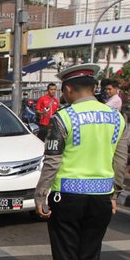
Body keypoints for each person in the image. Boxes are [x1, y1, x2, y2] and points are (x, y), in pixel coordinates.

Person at [34, 64, 128, 260]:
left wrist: (41, 195)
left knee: (65, 253)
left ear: (68, 89)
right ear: (93, 88)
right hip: (101, 195)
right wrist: (114, 195)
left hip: (68, 195)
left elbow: (52, 161)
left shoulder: (63, 117)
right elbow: (120, 161)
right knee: (91, 253)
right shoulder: (118, 118)